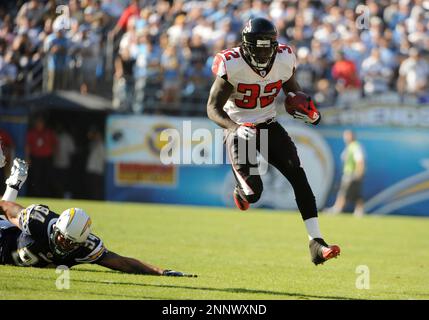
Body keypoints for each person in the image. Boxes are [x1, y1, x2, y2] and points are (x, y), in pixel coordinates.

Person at [206, 17, 340, 266]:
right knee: (254, 193)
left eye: (268, 46)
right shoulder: (231, 64)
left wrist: (309, 112)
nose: (264, 51)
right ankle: (241, 193)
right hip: (240, 128)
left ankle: (316, 243)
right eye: (258, 46)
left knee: (298, 177)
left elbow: (294, 94)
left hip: (268, 124)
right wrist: (234, 128)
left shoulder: (284, 58)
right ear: (246, 45)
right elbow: (212, 108)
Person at [0, 159, 196, 277]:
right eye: (62, 237)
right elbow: (5, 207)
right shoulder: (38, 220)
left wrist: (160, 271)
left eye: (70, 242)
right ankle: (14, 184)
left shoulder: (87, 246)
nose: (63, 243)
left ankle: (13, 184)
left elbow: (122, 263)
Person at [328, 130, 365, 217]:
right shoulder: (350, 146)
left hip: (352, 173)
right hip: (349, 173)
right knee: (355, 193)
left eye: (347, 136)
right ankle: (359, 210)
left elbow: (360, 161)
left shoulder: (355, 146)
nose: (345, 138)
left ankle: (337, 208)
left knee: (344, 191)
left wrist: (359, 173)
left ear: (351, 136)